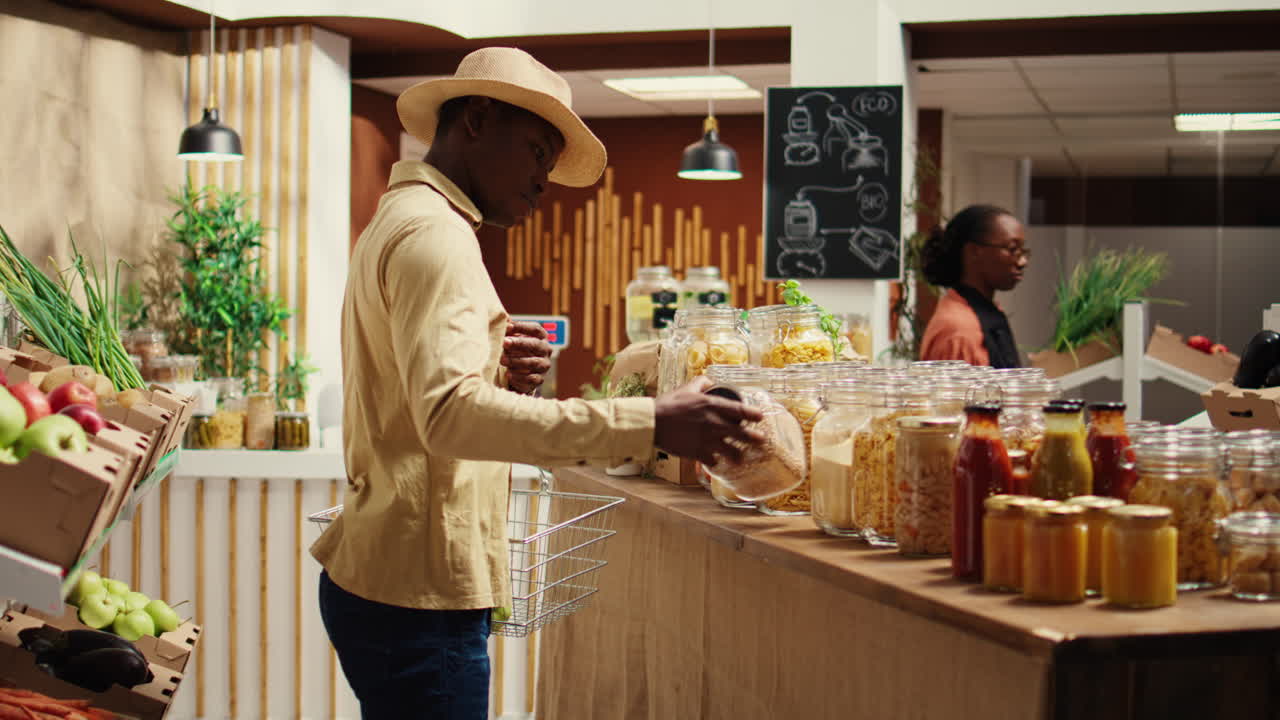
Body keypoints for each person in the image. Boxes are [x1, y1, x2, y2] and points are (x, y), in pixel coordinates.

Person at [311, 47, 765, 719]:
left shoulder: (404, 218)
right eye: (535, 153)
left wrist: (493, 366)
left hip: (392, 579)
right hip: (418, 597)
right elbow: (447, 417)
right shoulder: (437, 237)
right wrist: (651, 423)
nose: (542, 183)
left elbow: (416, 402)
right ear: (477, 119)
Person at [918, 204, 1029, 368]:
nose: (1022, 262)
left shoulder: (986, 311)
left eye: (1023, 251)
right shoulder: (958, 331)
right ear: (974, 251)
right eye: (1012, 249)